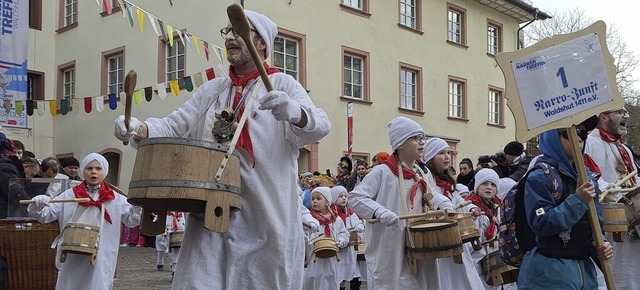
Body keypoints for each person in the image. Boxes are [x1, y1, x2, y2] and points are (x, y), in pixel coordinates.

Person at [113, 9, 330, 289]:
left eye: (239, 31)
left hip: (265, 219)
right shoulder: (213, 89)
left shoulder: (282, 84)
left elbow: (320, 126)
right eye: (227, 32)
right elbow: (172, 127)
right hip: (210, 215)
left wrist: (295, 111)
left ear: (261, 42)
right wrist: (137, 127)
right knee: (198, 282)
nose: (230, 37)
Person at [349, 116, 440, 289]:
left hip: (421, 242)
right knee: (395, 283)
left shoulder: (421, 172)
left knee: (423, 283)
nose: (421, 142)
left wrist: (444, 205)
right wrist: (380, 212)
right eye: (415, 138)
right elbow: (356, 198)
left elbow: (431, 194)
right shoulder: (382, 172)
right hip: (392, 245)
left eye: (422, 138)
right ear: (400, 144)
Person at [517, 126, 613, 289]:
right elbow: (541, 222)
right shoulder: (539, 176)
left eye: (582, 133)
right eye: (569, 133)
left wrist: (600, 246)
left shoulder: (588, 178)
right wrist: (578, 200)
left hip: (585, 274)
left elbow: (596, 224)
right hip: (548, 274)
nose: (579, 138)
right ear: (552, 138)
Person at [27, 153, 141, 290]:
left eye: (98, 168)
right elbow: (45, 216)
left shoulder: (115, 198)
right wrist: (37, 204)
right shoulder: (69, 195)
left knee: (98, 284)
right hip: (72, 255)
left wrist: (137, 205)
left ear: (105, 171)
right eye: (89, 168)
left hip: (101, 255)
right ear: (83, 171)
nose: (94, 172)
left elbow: (132, 220)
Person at [584, 107, 639, 288]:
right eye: (620, 113)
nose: (626, 116)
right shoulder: (590, 143)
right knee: (615, 276)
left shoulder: (624, 149)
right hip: (610, 225)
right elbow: (587, 178)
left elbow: (633, 180)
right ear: (604, 117)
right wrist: (609, 188)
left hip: (632, 223)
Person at [420, 137, 484, 290]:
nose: (447, 156)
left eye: (448, 152)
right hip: (438, 237)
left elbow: (457, 202)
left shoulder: (447, 181)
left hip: (454, 234)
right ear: (430, 157)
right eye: (441, 153)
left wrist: (470, 209)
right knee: (443, 277)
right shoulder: (428, 180)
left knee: (461, 275)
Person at [303, 187, 349, 290]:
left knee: (331, 284)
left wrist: (341, 241)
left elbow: (344, 233)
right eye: (313, 199)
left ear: (327, 202)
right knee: (313, 284)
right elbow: (304, 236)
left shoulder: (335, 219)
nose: (314, 201)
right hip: (313, 262)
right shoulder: (309, 220)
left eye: (318, 198)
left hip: (332, 262)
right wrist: (307, 241)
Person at [330, 185, 364, 290]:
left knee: (353, 272)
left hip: (350, 248)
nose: (344, 198)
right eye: (340, 196)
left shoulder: (349, 212)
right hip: (339, 249)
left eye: (345, 196)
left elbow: (357, 222)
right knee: (339, 275)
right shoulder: (331, 214)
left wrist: (359, 226)